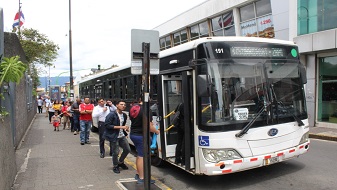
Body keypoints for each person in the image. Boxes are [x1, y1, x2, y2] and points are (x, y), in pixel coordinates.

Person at [130, 98, 159, 184]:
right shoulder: (146, 110)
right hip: (141, 136)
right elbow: (149, 127)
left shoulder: (134, 107)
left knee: (139, 155)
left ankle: (138, 174)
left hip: (134, 134)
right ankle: (142, 178)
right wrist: (156, 131)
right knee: (142, 156)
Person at [103, 100, 131, 174]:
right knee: (115, 152)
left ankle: (120, 162)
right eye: (121, 104)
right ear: (117, 105)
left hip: (121, 135)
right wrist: (121, 127)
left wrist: (125, 130)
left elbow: (122, 125)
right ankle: (115, 166)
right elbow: (107, 125)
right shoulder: (112, 114)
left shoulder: (124, 115)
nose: (123, 106)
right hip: (114, 136)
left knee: (127, 149)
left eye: (124, 105)